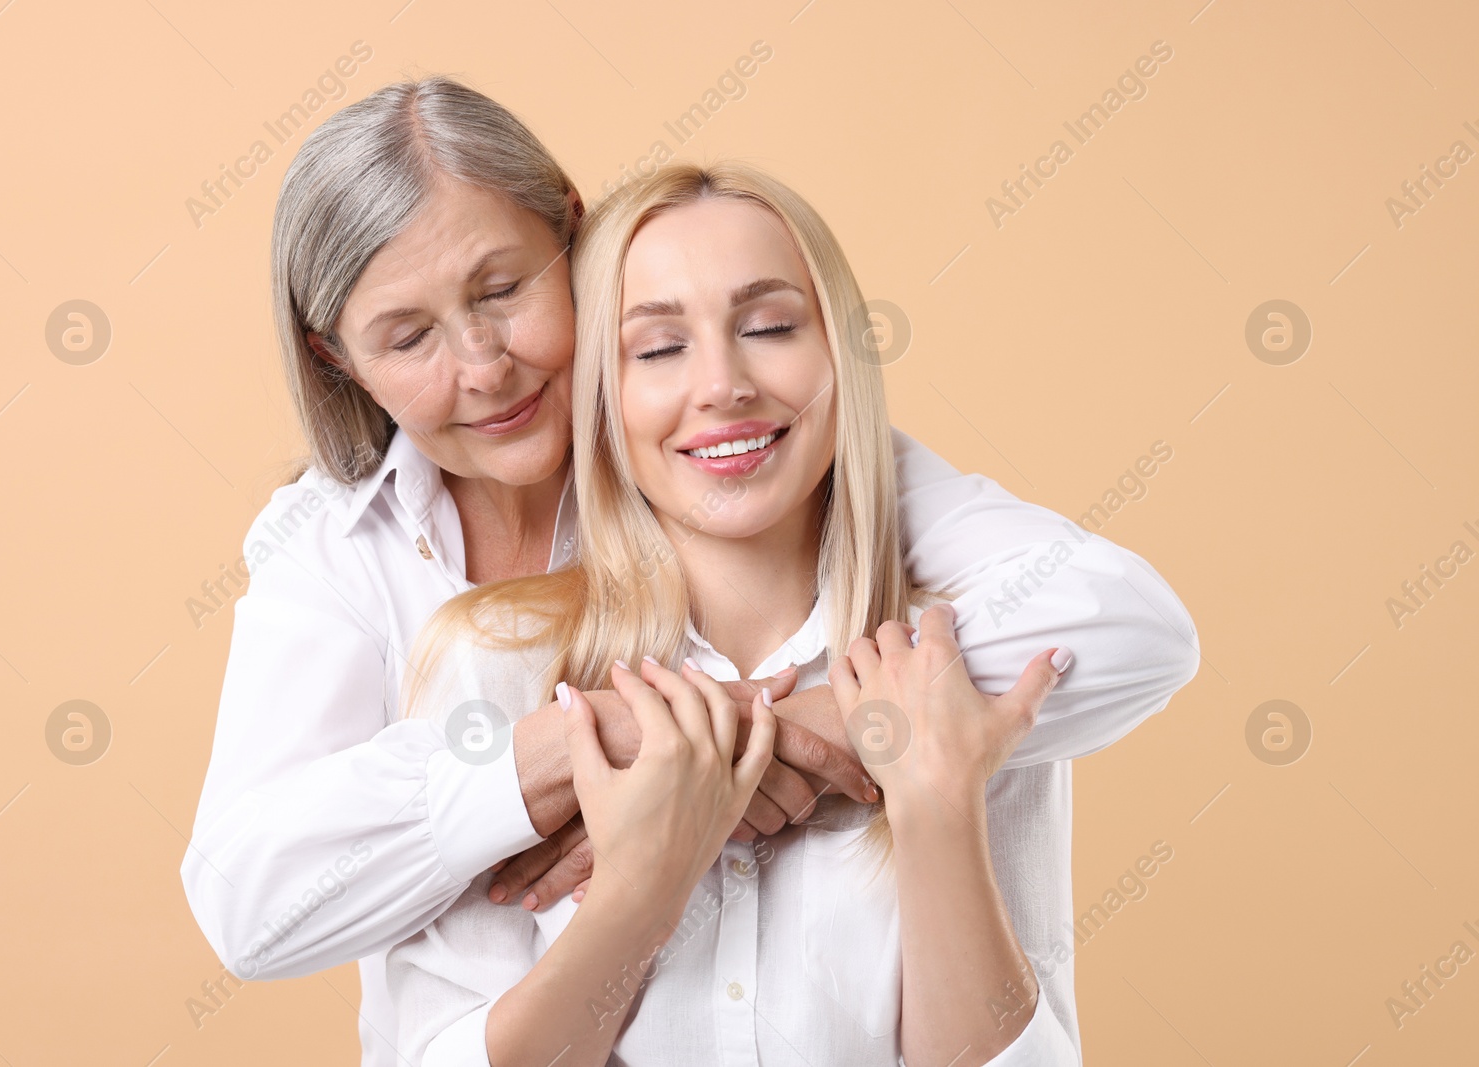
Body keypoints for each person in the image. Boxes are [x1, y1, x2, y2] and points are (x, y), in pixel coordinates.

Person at [180, 77, 1200, 1066]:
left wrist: (791, 737)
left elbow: (1126, 623)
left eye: (503, 291)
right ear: (338, 358)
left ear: (571, 242)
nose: (484, 365)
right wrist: (590, 766)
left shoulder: (812, 494)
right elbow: (255, 905)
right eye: (407, 336)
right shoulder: (415, 610)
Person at [388, 161, 1093, 1065]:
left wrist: (937, 803)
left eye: (768, 327)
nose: (723, 385)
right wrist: (647, 881)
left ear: (839, 353)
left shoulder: (952, 665)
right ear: (603, 391)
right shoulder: (489, 661)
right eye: (657, 347)